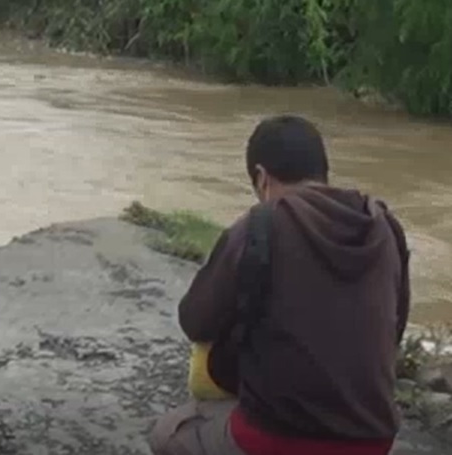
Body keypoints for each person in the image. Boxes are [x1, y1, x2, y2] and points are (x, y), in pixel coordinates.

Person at [148, 116, 410, 455]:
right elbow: (396, 330)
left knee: (168, 433)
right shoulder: (385, 225)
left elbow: (195, 321)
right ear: (322, 170)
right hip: (374, 440)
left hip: (279, 440)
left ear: (261, 177)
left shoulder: (261, 224)